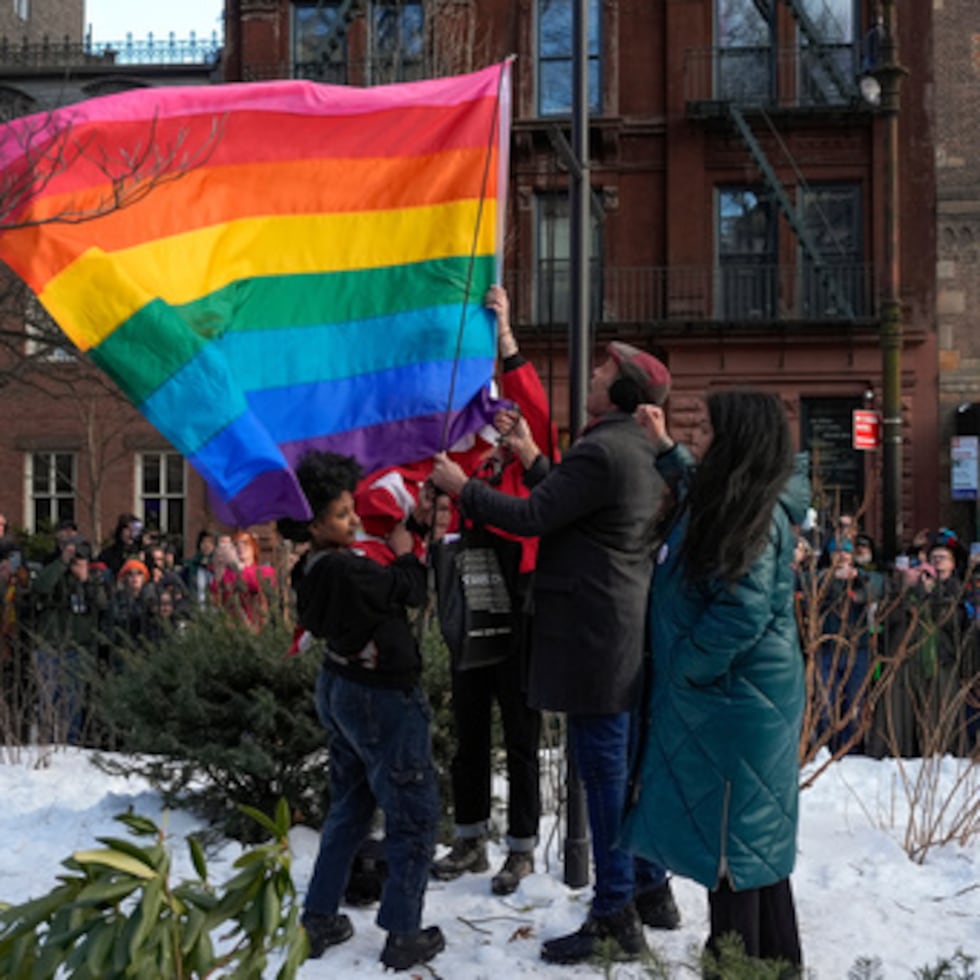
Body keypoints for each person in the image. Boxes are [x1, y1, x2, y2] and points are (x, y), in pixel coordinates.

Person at [431, 339, 678, 964]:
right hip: (623, 625)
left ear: (621, 389)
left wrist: (463, 489)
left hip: (595, 632)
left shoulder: (601, 447)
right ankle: (651, 888)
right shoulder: (637, 444)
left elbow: (537, 516)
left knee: (603, 772)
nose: (589, 374)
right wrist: (532, 455)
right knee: (626, 765)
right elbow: (577, 505)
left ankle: (615, 911)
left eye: (599, 369)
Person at [622, 390, 806, 975]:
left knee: (733, 851)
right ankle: (775, 963)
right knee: (750, 850)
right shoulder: (735, 496)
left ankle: (739, 964)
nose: (693, 434)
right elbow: (702, 486)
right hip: (733, 703)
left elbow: (740, 614)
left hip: (733, 706)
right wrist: (666, 449)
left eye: (704, 428)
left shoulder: (753, 514)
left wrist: (687, 670)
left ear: (735, 440)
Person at [281, 450, 443, 973]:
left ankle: (320, 915)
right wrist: (405, 550)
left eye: (352, 511)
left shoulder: (311, 567)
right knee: (413, 813)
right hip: (382, 700)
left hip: (342, 688)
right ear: (313, 523)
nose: (354, 522)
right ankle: (403, 932)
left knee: (350, 806)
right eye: (343, 515)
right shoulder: (346, 572)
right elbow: (408, 590)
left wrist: (411, 528)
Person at [427, 285, 557, 896]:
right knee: (471, 724)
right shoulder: (473, 463)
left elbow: (530, 398)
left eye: (515, 417)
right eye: (499, 416)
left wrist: (506, 332)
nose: (506, 421)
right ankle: (470, 835)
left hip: (521, 600)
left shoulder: (536, 464)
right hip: (473, 597)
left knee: (521, 729)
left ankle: (522, 848)